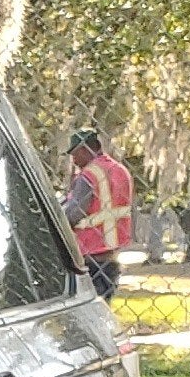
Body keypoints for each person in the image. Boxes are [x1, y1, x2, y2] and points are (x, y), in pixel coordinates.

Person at [64, 128, 136, 300]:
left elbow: (74, 213)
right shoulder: (120, 170)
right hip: (112, 254)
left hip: (90, 252)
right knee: (105, 303)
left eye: (75, 154)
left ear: (85, 149)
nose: (73, 160)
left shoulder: (89, 175)